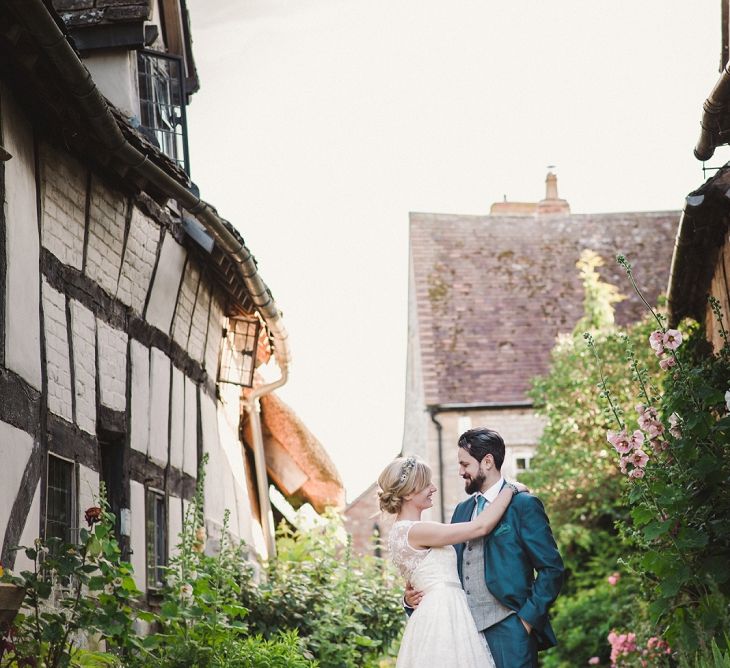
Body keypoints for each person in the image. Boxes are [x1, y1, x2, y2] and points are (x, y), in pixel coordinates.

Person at [405, 428, 564, 668]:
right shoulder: (461, 510)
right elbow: (445, 569)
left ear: (487, 461)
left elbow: (552, 568)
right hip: (462, 634)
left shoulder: (524, 505)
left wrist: (525, 621)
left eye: (465, 464)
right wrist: (411, 600)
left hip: (510, 630)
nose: (461, 472)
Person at [378, 454, 523, 668]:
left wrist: (408, 599)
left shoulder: (401, 532)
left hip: (436, 613)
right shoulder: (417, 530)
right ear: (409, 493)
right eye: (426, 484)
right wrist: (510, 489)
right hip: (444, 617)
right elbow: (479, 527)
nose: (433, 488)